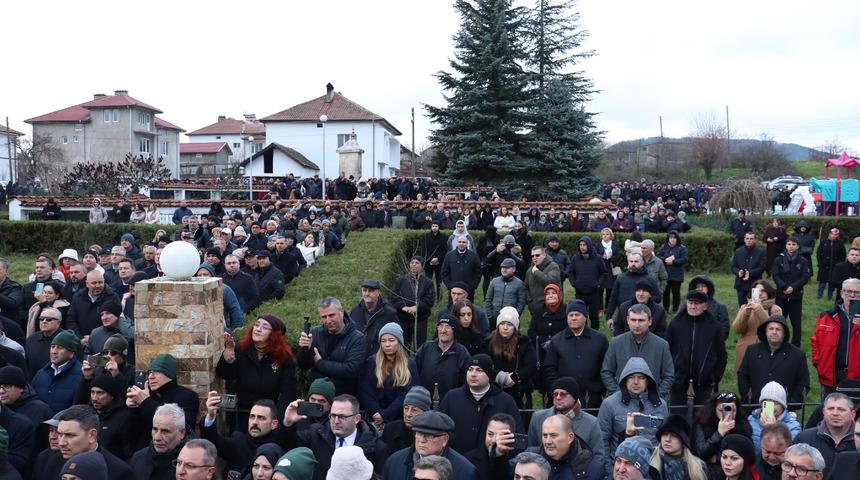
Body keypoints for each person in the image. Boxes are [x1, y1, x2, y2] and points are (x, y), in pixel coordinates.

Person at [282, 394, 387, 480]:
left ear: (357, 418)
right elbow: (289, 447)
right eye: (333, 415)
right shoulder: (316, 434)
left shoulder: (376, 448)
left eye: (342, 416)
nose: (336, 421)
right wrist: (288, 423)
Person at [216, 314, 297, 423]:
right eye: (257, 325)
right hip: (243, 414)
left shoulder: (284, 357)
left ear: (274, 334)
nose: (258, 329)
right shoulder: (241, 349)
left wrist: (277, 417)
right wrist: (227, 358)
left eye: (264, 327)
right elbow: (225, 375)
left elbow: (288, 392)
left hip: (268, 416)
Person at [438, 353, 523, 454]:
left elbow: (516, 436)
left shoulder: (505, 401)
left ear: (489, 374)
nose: (473, 374)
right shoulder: (451, 398)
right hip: (457, 461)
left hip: (492, 463)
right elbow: (440, 430)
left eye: (479, 370)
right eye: (470, 369)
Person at [597, 357, 669, 470]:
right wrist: (610, 473)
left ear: (647, 381)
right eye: (631, 377)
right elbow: (602, 442)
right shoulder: (609, 404)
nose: (636, 382)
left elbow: (665, 441)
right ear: (625, 380)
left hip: (653, 469)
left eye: (641, 378)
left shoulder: (661, 405)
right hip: (621, 468)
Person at [666, 290, 727, 411]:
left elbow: (721, 355)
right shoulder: (676, 323)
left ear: (705, 306)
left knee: (703, 418)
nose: (693, 306)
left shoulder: (714, 326)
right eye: (690, 302)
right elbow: (666, 351)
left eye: (697, 303)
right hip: (678, 380)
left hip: (705, 383)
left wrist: (714, 378)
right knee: (678, 415)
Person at [542, 300, 608, 409]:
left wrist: (600, 387)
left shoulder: (599, 339)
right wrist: (559, 389)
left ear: (585, 317)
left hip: (592, 396)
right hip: (564, 397)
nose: (573, 318)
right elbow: (549, 368)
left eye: (577, 314)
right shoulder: (556, 340)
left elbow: (606, 365)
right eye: (570, 315)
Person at [39, 404, 133, 479]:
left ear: (92, 435)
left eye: (70, 435)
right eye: (60, 434)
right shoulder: (48, 461)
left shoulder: (118, 471)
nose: (61, 443)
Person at [601, 303, 674, 399]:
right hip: (621, 400)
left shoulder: (662, 345)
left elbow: (669, 376)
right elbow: (606, 372)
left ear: (650, 321)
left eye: (641, 320)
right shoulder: (616, 343)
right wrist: (618, 394)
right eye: (633, 320)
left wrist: (657, 395)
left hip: (652, 401)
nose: (637, 324)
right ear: (627, 320)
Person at [297, 297, 366, 396]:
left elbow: (352, 370)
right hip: (317, 395)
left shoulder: (357, 338)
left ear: (341, 311)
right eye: (324, 317)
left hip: (342, 398)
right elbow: (303, 365)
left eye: (331, 315)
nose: (328, 321)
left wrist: (320, 363)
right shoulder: (315, 332)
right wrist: (304, 349)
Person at [380, 410, 478, 480]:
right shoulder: (393, 462)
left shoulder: (465, 472)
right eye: (418, 433)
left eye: (429, 436)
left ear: (445, 439)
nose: (421, 440)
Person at [200, 394, 284, 475]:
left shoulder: (280, 446)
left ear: (274, 424)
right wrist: (210, 417)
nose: (255, 422)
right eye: (252, 416)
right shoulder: (238, 442)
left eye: (261, 418)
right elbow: (212, 442)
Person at [125, 354, 200, 443]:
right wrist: (133, 408)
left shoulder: (187, 397)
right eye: (149, 372)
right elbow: (131, 432)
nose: (150, 377)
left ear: (169, 374)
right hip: (145, 451)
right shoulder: (146, 394)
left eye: (156, 372)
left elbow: (186, 429)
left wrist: (145, 402)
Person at [737, 315, 809, 407]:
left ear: (784, 333)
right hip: (754, 405)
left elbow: (803, 382)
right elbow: (742, 375)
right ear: (765, 332)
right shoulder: (752, 351)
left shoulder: (798, 355)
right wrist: (747, 398)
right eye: (771, 329)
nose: (774, 332)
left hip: (784, 409)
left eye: (778, 329)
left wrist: (790, 404)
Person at [358, 323, 419, 430]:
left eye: (391, 340)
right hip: (374, 418)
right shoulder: (371, 362)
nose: (387, 344)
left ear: (399, 342)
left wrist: (386, 414)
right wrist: (377, 413)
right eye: (383, 341)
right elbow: (365, 391)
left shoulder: (410, 365)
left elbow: (407, 394)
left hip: (399, 419)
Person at [526, 377, 604, 460]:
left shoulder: (591, 423)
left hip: (579, 470)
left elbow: (598, 456)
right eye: (555, 394)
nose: (558, 397)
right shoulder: (538, 418)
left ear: (574, 397)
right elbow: (531, 452)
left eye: (563, 394)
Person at [811, 277, 860, 396]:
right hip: (831, 376)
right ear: (842, 293)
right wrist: (819, 363)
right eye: (848, 291)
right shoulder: (827, 316)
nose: (852, 295)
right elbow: (816, 341)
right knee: (830, 412)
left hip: (857, 379)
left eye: (857, 292)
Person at [483, 308, 536, 408]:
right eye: (502, 324)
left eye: (510, 324)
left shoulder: (524, 342)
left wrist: (515, 377)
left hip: (519, 391)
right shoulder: (488, 343)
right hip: (494, 390)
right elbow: (484, 365)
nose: (505, 327)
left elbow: (531, 366)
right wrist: (500, 376)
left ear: (515, 327)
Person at [793, 393, 855, 476]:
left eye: (841, 409)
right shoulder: (804, 438)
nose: (835, 413)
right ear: (823, 412)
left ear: (852, 414)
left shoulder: (858, 439)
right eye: (830, 409)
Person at [691, 392, 753, 472]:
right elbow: (702, 453)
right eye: (721, 410)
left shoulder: (742, 424)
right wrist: (719, 433)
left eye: (733, 410)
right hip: (710, 471)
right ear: (714, 409)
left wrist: (717, 458)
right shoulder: (703, 423)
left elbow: (748, 453)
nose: (728, 414)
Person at [415, 315, 471, 401]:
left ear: (454, 330)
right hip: (423, 402)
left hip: (450, 403)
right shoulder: (426, 347)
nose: (443, 330)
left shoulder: (461, 353)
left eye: (447, 327)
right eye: (440, 326)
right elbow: (414, 372)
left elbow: (466, 382)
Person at [731, 280, 783, 373]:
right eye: (757, 291)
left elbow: (772, 327)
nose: (760, 294)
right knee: (745, 383)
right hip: (745, 350)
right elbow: (737, 329)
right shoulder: (744, 307)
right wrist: (746, 312)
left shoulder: (775, 309)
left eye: (763, 291)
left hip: (766, 350)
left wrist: (759, 308)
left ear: (768, 292)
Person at [128, 403, 187, 480]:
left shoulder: (192, 465)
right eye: (155, 429)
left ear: (182, 433)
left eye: (165, 431)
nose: (157, 437)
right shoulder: (138, 458)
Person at [772, 236, 810, 347]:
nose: (791, 247)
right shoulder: (778, 259)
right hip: (781, 295)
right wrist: (784, 286)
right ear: (786, 246)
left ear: (798, 246)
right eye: (789, 244)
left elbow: (805, 277)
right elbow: (775, 275)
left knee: (796, 323)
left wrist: (793, 287)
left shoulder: (803, 261)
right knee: (779, 321)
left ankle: (795, 345)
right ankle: (780, 342)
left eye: (793, 244)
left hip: (796, 296)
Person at [31, 329, 82, 413]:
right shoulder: (41, 374)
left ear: (71, 353)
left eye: (60, 348)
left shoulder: (81, 375)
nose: (54, 351)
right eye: (52, 346)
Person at [391, 256, 436, 349]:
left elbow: (429, 299)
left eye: (417, 263)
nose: (414, 265)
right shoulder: (401, 281)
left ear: (422, 266)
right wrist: (403, 307)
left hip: (420, 319)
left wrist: (416, 307)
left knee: (419, 346)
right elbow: (394, 296)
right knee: (403, 346)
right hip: (403, 319)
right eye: (412, 263)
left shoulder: (427, 282)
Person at [648, 415, 708, 480]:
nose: (667, 439)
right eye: (665, 434)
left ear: (683, 440)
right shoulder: (649, 460)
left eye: (674, 436)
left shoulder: (698, 467)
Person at [605, 253, 659, 324]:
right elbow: (613, 298)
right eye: (631, 261)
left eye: (636, 261)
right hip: (623, 315)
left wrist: (644, 301)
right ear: (628, 262)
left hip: (642, 316)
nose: (633, 264)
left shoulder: (649, 279)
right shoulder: (621, 278)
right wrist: (609, 317)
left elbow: (658, 297)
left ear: (642, 263)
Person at [748, 381, 802, 453]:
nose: (772, 407)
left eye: (775, 403)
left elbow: (789, 450)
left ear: (782, 406)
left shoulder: (793, 425)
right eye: (767, 403)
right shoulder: (752, 419)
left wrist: (772, 429)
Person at [567, 236, 607, 330]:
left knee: (594, 317)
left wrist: (598, 284)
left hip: (594, 293)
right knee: (582, 316)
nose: (582, 247)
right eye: (580, 245)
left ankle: (594, 334)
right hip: (580, 292)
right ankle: (583, 332)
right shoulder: (575, 258)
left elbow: (603, 272)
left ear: (589, 245)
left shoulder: (597, 258)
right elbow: (570, 272)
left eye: (584, 244)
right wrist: (574, 283)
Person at [350, 279, 399, 356]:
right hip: (358, 358)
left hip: (380, 359)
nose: (367, 294)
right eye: (364, 290)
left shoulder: (389, 314)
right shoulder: (355, 311)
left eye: (371, 291)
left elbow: (397, 339)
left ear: (378, 293)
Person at [382, 386, 431, 454]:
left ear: (425, 413)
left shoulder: (433, 435)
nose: (408, 414)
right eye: (406, 408)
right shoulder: (390, 429)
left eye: (414, 410)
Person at [485, 258, 527, 329]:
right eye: (502, 267)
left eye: (507, 268)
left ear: (513, 269)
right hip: (494, 318)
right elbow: (488, 299)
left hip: (511, 319)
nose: (504, 269)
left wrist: (515, 315)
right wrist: (490, 316)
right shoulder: (494, 281)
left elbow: (521, 302)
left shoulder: (519, 283)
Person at [732, 232, 767, 308]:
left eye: (751, 239)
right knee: (742, 307)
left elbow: (762, 267)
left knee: (754, 307)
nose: (749, 240)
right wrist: (738, 272)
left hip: (755, 284)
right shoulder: (738, 251)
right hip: (741, 283)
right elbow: (733, 266)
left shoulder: (760, 252)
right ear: (744, 239)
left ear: (754, 240)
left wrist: (750, 273)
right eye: (747, 238)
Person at [656, 231, 688, 313]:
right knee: (666, 293)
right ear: (668, 239)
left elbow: (684, 259)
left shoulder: (682, 248)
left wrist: (674, 262)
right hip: (665, 274)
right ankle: (665, 309)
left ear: (677, 239)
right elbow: (658, 256)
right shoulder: (663, 247)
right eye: (671, 238)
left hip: (677, 275)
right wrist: (665, 259)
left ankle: (675, 309)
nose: (672, 239)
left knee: (676, 293)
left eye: (674, 238)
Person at [525, 247, 561, 319]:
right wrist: (530, 302)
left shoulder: (553, 266)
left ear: (544, 255)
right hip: (535, 308)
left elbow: (550, 282)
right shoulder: (530, 270)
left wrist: (536, 272)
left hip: (551, 306)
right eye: (532, 256)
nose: (535, 258)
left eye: (537, 255)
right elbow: (525, 287)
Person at [816, 227, 845, 300]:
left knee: (832, 282)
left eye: (836, 234)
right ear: (829, 234)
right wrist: (820, 263)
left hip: (835, 267)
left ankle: (830, 296)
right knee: (822, 282)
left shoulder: (840, 243)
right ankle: (819, 295)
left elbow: (843, 255)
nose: (834, 235)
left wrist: (840, 265)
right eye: (832, 233)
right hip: (824, 266)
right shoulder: (823, 242)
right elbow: (818, 253)